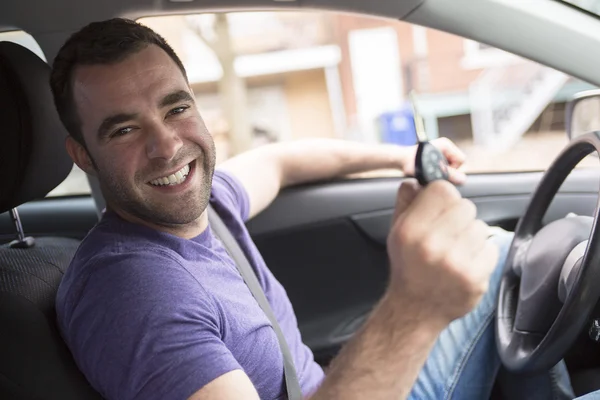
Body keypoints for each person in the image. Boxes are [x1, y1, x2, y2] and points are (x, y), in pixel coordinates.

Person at [51, 18, 579, 400]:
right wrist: (415, 307)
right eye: (124, 129)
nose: (166, 146)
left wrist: (403, 156)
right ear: (83, 157)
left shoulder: (206, 206)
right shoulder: (133, 296)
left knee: (501, 251)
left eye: (177, 107)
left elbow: (281, 161)